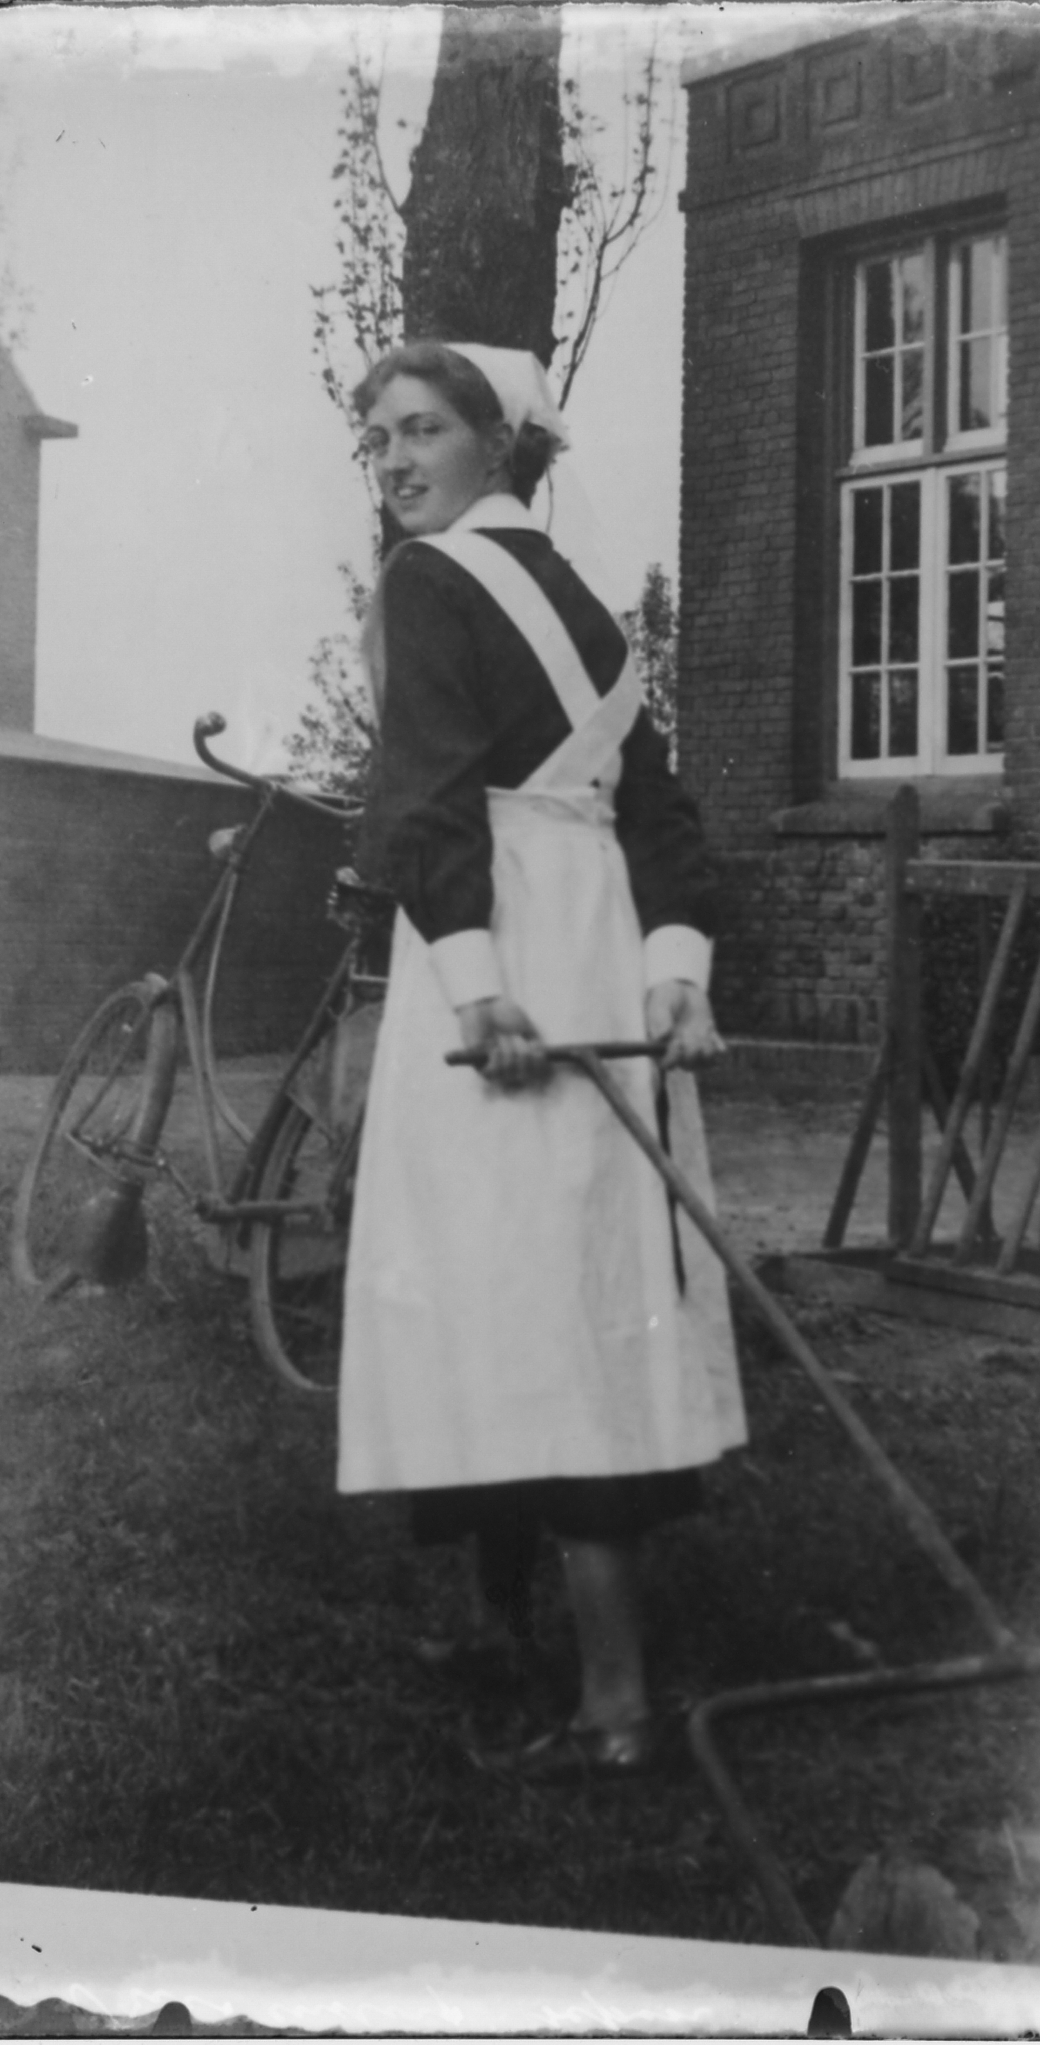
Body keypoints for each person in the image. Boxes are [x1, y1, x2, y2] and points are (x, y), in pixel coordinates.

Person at [338, 340, 746, 1779]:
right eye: (378, 438)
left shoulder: (430, 581)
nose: (394, 461)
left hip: (502, 961)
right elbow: (660, 820)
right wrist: (674, 972)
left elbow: (425, 801)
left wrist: (474, 983)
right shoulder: (574, 594)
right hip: (598, 949)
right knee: (570, 1287)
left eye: (421, 430)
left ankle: (613, 1704)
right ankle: (507, 1632)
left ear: (493, 442)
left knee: (513, 1295)